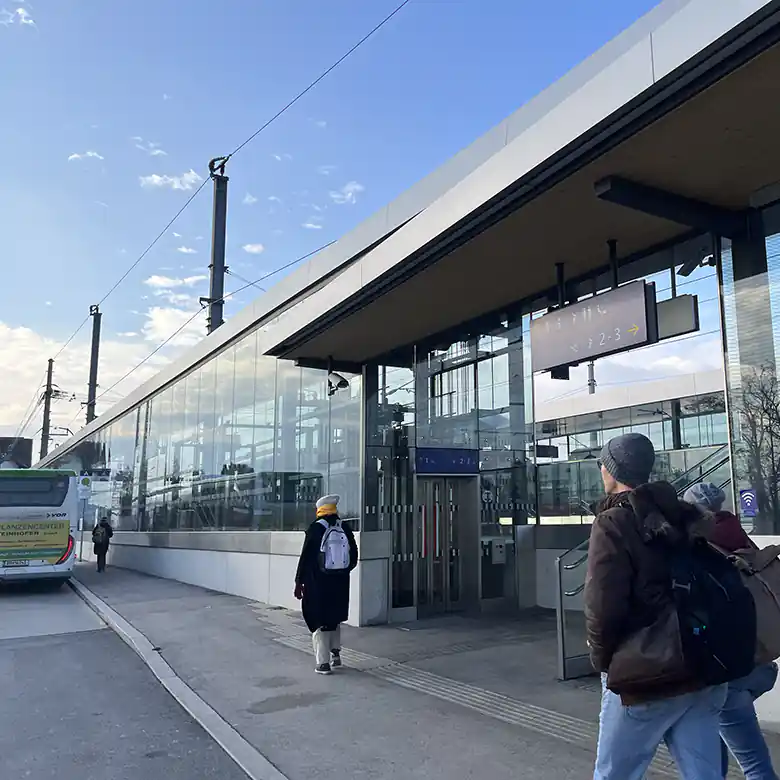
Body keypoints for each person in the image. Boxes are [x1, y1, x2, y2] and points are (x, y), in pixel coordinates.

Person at [585, 433, 728, 780]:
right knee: (705, 774)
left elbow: (602, 605)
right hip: (700, 667)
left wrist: (606, 663)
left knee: (613, 774)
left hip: (646, 674)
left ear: (611, 471)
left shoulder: (613, 523)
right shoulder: (684, 514)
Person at [684, 482, 779, 780]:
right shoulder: (737, 534)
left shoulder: (702, 545)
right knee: (714, 750)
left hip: (726, 671)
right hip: (755, 657)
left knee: (752, 763)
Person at [294, 495, 358, 675]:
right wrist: (342, 571)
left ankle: (323, 663)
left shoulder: (315, 528)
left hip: (318, 583)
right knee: (334, 617)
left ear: (320, 510)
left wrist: (299, 582)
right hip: (340, 582)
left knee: (318, 620)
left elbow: (305, 557)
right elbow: (354, 556)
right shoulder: (343, 527)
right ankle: (336, 656)